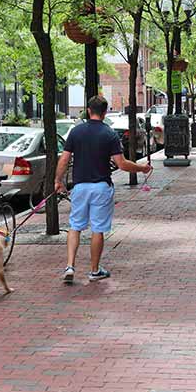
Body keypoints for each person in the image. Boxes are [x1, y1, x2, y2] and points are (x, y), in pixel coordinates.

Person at [55, 95, 152, 283]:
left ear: (88, 111)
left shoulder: (76, 132)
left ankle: (69, 266)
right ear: (105, 112)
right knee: (97, 229)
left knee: (75, 226)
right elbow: (121, 164)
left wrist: (58, 180)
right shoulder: (109, 134)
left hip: (80, 186)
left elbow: (64, 160)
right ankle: (94, 270)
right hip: (101, 187)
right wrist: (141, 168)